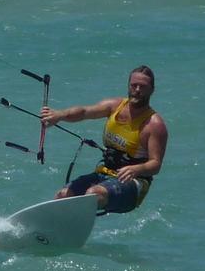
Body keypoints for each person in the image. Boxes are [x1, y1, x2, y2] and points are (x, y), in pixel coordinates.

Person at [39, 65, 168, 213]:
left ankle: (75, 226)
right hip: (104, 173)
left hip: (133, 184)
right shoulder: (115, 106)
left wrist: (136, 169)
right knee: (63, 195)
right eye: (134, 85)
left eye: (143, 87)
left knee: (93, 195)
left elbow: (155, 164)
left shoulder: (154, 125)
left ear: (152, 90)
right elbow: (84, 112)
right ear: (128, 86)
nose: (137, 90)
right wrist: (59, 115)